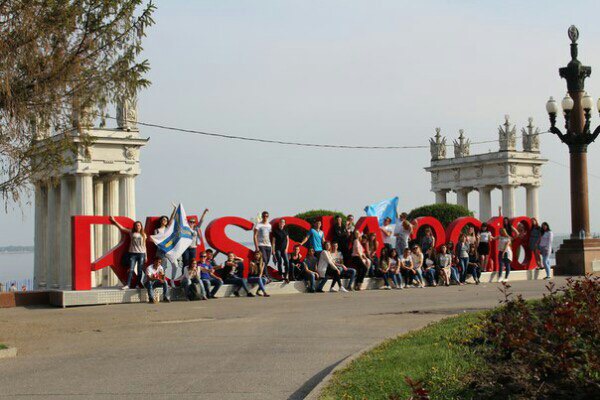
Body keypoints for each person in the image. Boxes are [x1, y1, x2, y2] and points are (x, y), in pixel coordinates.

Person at [110, 216, 147, 290]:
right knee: (131, 269)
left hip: (141, 254)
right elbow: (122, 228)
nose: (138, 226)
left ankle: (138, 284)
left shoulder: (144, 235)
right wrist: (114, 221)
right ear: (135, 226)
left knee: (140, 270)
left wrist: (146, 256)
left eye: (139, 225)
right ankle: (128, 285)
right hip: (133, 253)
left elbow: (144, 246)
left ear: (141, 226)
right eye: (136, 225)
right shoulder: (131, 232)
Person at [154, 207, 178, 285]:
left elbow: (171, 218)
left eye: (166, 220)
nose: (165, 221)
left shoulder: (168, 228)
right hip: (161, 250)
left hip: (170, 250)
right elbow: (156, 241)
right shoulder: (157, 230)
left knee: (175, 265)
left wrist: (174, 209)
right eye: (163, 219)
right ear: (161, 221)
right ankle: (162, 282)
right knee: (162, 267)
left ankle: (172, 280)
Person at [253, 211, 273, 280]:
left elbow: (270, 236)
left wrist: (272, 247)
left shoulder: (269, 225)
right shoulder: (258, 225)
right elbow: (255, 236)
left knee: (267, 261)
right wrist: (256, 247)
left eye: (266, 216)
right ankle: (267, 276)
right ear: (262, 217)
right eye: (264, 216)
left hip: (269, 245)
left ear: (268, 217)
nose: (265, 217)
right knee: (264, 260)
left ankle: (262, 274)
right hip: (261, 245)